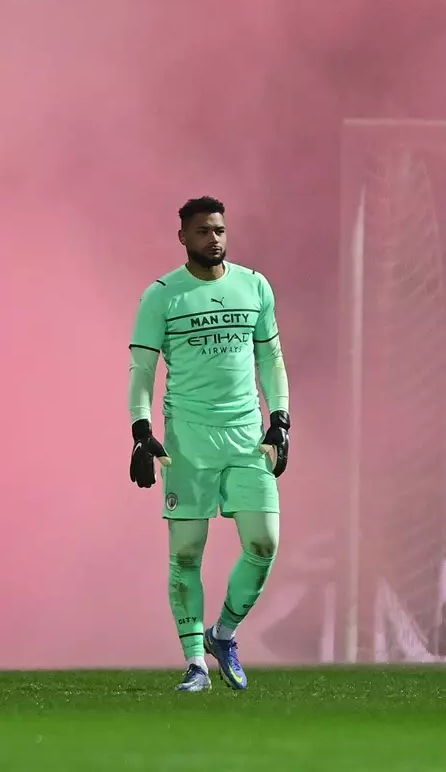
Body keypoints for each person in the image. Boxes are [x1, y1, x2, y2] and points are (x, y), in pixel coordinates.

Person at [127, 196, 290, 692]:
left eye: (218, 230)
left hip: (246, 438)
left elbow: (271, 359)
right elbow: (142, 371)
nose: (213, 239)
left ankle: (225, 635)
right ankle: (196, 663)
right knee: (186, 555)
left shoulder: (254, 285)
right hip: (188, 442)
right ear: (183, 238)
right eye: (202, 232)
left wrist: (280, 419)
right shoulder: (162, 296)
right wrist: (140, 431)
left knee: (265, 543)